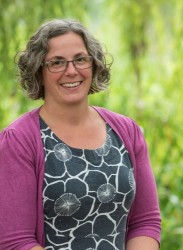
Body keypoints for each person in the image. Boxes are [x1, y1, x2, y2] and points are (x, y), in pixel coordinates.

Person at [0, 19, 161, 250]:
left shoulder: (126, 131)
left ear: (94, 64)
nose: (71, 71)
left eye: (80, 59)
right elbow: (17, 242)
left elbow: (145, 222)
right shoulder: (18, 142)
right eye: (56, 62)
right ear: (38, 71)